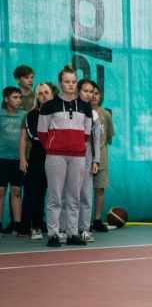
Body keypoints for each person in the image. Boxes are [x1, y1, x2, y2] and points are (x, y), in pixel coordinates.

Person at [38, 65, 92, 247]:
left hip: (77, 157)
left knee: (74, 197)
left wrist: (75, 146)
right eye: (67, 81)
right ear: (60, 83)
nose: (71, 84)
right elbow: (42, 132)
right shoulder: (49, 106)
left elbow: (86, 134)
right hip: (55, 156)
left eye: (74, 82)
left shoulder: (85, 107)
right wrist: (53, 147)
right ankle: (53, 235)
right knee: (55, 197)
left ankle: (72, 234)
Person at [56, 79, 101, 242]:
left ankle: (84, 229)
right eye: (86, 91)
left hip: (86, 159)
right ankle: (63, 229)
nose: (89, 95)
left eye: (92, 92)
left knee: (85, 195)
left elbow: (96, 140)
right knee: (64, 194)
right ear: (78, 91)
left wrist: (96, 160)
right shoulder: (67, 109)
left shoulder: (94, 114)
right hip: (67, 158)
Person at [17, 83, 53, 239]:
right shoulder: (31, 115)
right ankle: (27, 226)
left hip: (55, 155)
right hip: (37, 155)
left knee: (47, 191)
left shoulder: (59, 114)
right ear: (36, 97)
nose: (43, 95)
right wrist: (22, 159)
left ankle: (40, 222)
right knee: (32, 191)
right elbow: (29, 136)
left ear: (52, 95)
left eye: (46, 92)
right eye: (40, 93)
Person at [0, 87, 26, 235]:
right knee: (1, 190)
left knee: (16, 190)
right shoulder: (1, 114)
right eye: (15, 97)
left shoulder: (23, 115)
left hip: (18, 159)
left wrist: (23, 158)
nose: (18, 100)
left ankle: (17, 223)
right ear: (6, 99)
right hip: (2, 158)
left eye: (20, 97)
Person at [91, 85, 114, 233]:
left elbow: (109, 135)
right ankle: (81, 222)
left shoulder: (105, 114)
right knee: (81, 192)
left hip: (101, 157)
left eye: (96, 93)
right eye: (90, 93)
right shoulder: (82, 112)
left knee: (99, 189)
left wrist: (100, 147)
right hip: (84, 157)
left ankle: (97, 220)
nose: (93, 96)